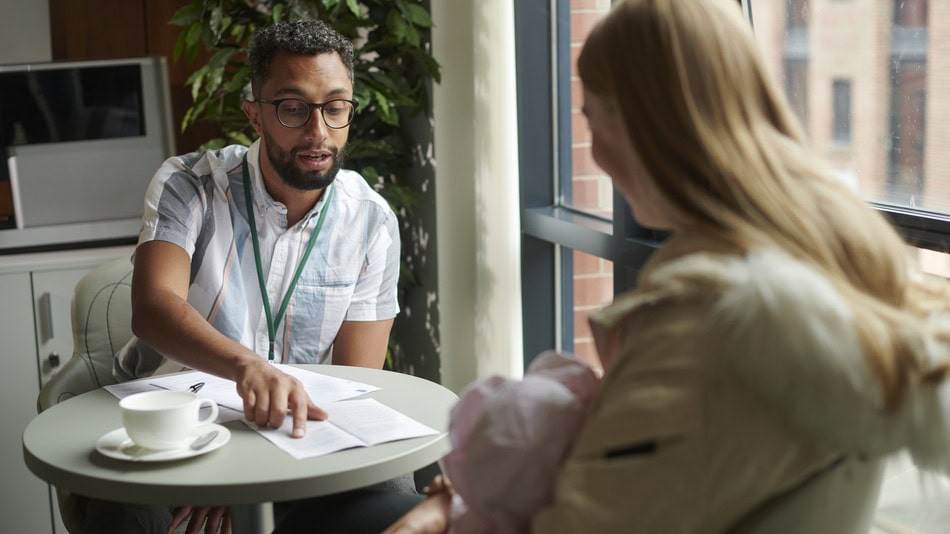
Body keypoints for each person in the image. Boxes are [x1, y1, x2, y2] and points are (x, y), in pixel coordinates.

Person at [385, 0, 950, 532]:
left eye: (589, 116)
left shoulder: (718, 326)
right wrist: (449, 500)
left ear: (637, 125)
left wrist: (453, 507)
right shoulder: (833, 271)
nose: (595, 152)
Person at [78, 18, 419, 534]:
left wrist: (250, 474)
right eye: (292, 107)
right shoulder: (189, 184)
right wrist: (247, 371)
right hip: (176, 429)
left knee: (396, 491)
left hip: (291, 436)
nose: (318, 131)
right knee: (124, 507)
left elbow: (356, 384)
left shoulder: (371, 221)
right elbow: (153, 309)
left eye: (335, 107)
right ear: (255, 115)